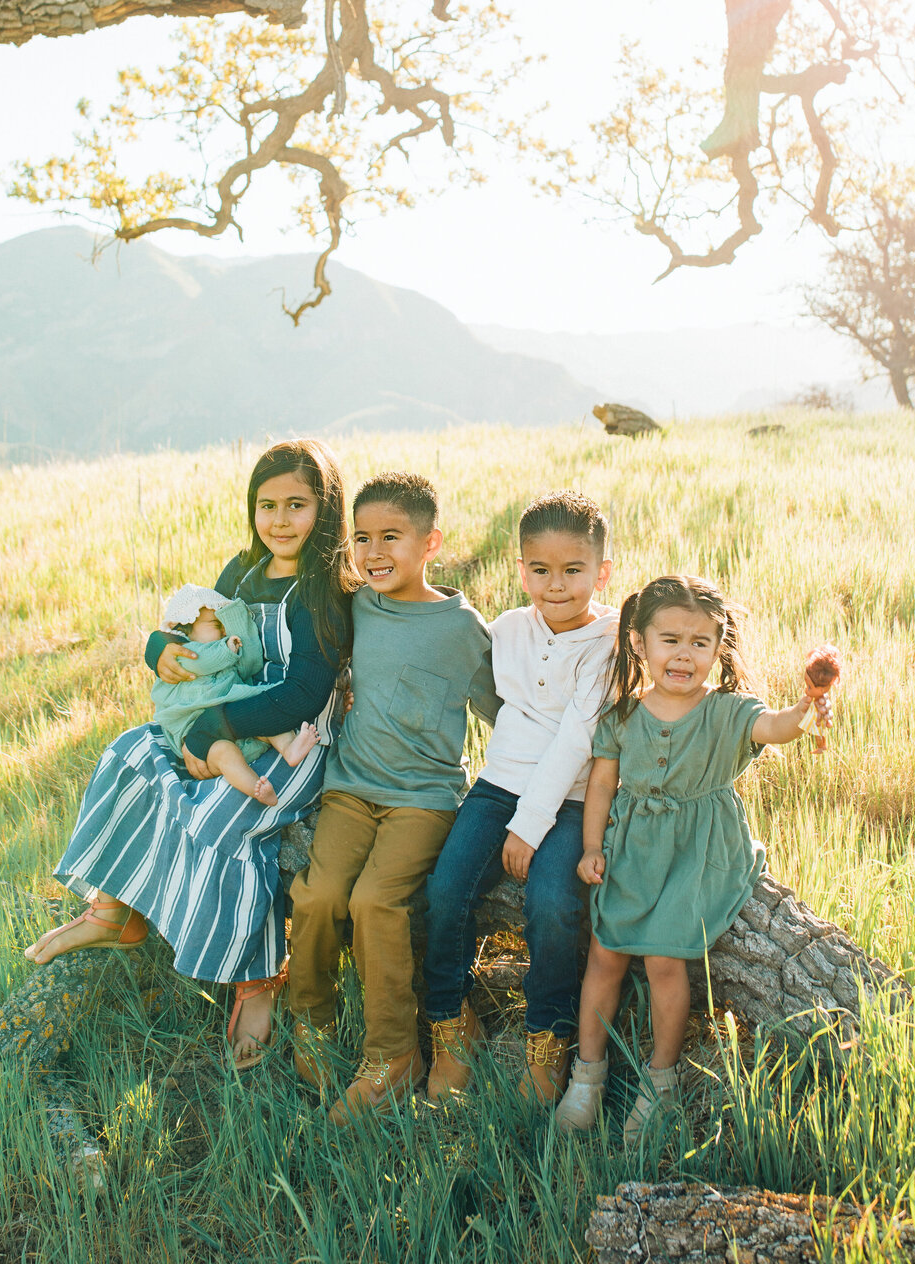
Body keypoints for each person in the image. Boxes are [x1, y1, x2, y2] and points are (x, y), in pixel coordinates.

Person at [24, 438, 361, 1070]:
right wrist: (156, 648)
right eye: (267, 505)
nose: (280, 521)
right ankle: (114, 910)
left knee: (219, 820)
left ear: (327, 509)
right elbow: (192, 627)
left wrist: (215, 728)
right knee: (132, 752)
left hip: (294, 746)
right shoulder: (241, 573)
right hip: (225, 722)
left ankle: (258, 979)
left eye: (297, 505)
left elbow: (304, 692)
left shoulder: (324, 592)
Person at [555, 573, 835, 1142]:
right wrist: (590, 848)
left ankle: (660, 1083)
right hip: (631, 852)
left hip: (698, 853)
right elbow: (602, 788)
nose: (684, 655)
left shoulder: (727, 711)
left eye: (700, 643)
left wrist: (808, 706)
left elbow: (776, 728)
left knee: (663, 961)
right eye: (671, 640)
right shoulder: (623, 716)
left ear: (718, 648)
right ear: (641, 643)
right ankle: (587, 1076)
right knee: (605, 956)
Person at [287, 472, 500, 1124]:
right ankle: (315, 1023)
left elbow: (506, 714)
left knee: (377, 902)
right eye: (361, 538)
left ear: (430, 542)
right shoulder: (355, 607)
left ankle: (393, 1056)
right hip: (351, 788)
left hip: (423, 799)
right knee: (318, 896)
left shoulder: (462, 628)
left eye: (390, 537)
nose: (373, 551)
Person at [423, 490, 616, 1106]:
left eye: (572, 571)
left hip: (573, 799)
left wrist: (529, 827)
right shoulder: (507, 629)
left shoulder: (611, 642)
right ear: (520, 569)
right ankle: (450, 1019)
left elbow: (577, 738)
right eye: (540, 571)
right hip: (498, 784)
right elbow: (470, 684)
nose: (555, 585)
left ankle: (548, 1034)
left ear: (602, 571)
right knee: (445, 890)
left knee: (554, 901)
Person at [150, 585, 320, 807]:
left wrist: (235, 617)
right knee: (224, 753)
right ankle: (256, 788)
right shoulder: (181, 655)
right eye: (216, 625)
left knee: (269, 712)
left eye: (225, 627)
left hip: (242, 727)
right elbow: (204, 660)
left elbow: (252, 662)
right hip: (202, 743)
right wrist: (226, 647)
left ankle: (290, 749)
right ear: (187, 628)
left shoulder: (227, 659)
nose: (223, 632)